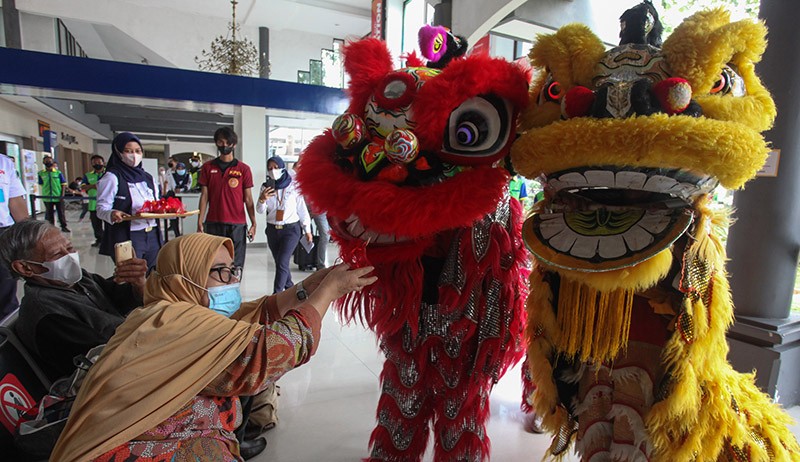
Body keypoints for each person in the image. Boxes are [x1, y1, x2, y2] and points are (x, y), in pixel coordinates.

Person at [50, 233, 376, 461]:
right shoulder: (175, 324)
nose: (232, 280)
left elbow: (256, 312)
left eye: (232, 270)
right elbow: (270, 352)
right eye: (220, 272)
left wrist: (310, 285)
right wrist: (329, 292)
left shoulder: (168, 310)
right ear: (184, 278)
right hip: (125, 448)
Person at [0, 219, 147, 380]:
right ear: (24, 267)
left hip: (134, 353)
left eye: (69, 248)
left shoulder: (78, 279)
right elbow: (108, 360)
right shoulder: (47, 315)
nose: (69, 257)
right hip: (114, 378)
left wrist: (138, 283)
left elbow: (119, 298)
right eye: (57, 255)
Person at [96, 132, 162, 270]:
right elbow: (101, 209)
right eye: (128, 151)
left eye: (138, 151)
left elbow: (157, 205)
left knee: (153, 274)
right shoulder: (112, 177)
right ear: (118, 152)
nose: (134, 155)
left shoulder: (148, 178)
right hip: (129, 235)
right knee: (131, 275)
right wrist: (112, 213)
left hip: (153, 235)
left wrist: (173, 211)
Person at [198, 127, 257, 269]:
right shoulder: (207, 167)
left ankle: (234, 283)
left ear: (234, 145)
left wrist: (254, 223)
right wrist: (200, 220)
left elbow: (248, 199)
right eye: (220, 142)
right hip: (214, 222)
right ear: (216, 143)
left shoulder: (243, 169)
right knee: (214, 262)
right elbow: (204, 196)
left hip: (237, 224)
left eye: (228, 143)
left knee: (236, 264)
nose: (224, 145)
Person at [256, 156, 313, 293]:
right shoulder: (266, 187)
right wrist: (262, 199)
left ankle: (276, 295)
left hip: (291, 230)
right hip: (272, 230)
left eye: (276, 167)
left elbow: (301, 208)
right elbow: (260, 210)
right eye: (270, 168)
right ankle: (291, 289)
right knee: (280, 263)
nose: (273, 171)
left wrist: (307, 230)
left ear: (282, 168)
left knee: (282, 262)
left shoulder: (293, 186)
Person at [0, 152, 29, 319]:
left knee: (6, 288)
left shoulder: (4, 163)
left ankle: (5, 330)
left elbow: (15, 201)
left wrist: (29, 233)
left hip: (2, 233)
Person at [38, 155, 69, 233]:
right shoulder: (41, 173)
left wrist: (62, 195)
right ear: (43, 162)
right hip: (47, 197)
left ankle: (64, 226)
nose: (48, 162)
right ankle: (51, 228)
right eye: (46, 161)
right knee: (49, 213)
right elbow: (41, 184)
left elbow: (63, 184)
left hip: (58, 196)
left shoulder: (58, 173)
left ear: (52, 162)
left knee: (61, 213)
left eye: (49, 161)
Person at [82, 155, 106, 248]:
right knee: (96, 224)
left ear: (103, 163)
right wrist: (94, 186)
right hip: (93, 204)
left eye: (99, 162)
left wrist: (92, 186)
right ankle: (99, 240)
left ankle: (108, 241)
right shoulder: (88, 175)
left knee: (109, 224)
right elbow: (83, 187)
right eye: (94, 163)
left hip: (108, 204)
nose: (97, 164)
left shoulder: (108, 173)